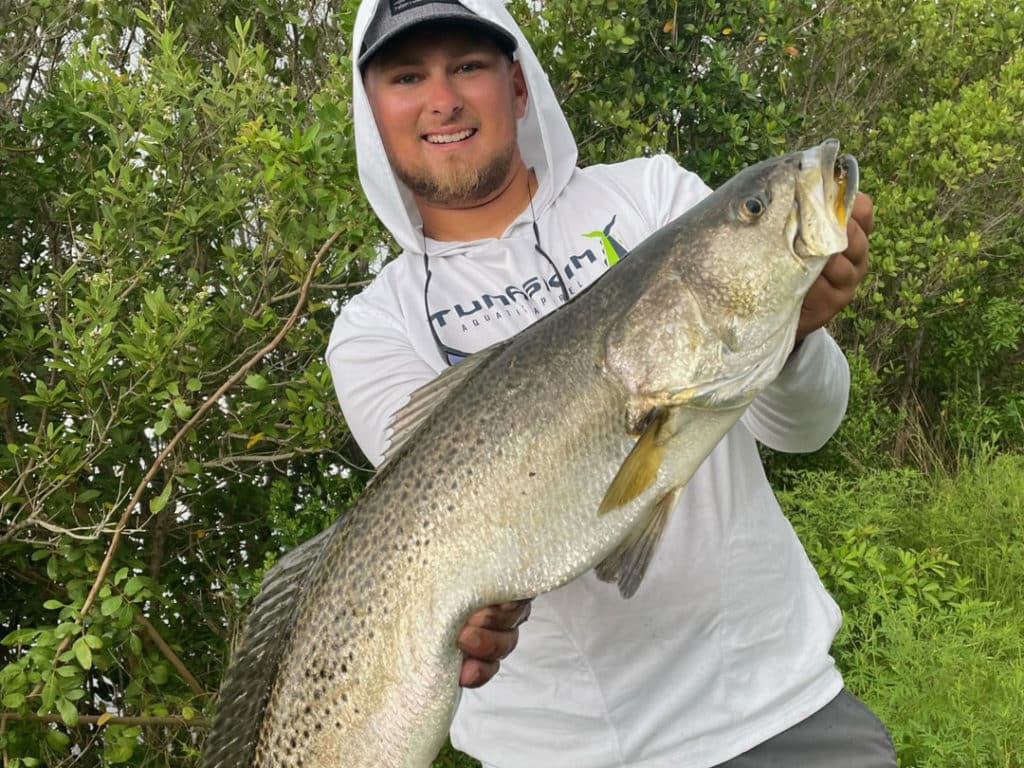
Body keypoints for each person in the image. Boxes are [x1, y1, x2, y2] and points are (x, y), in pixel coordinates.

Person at [326, 0, 892, 766]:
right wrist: (469, 615)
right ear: (372, 112)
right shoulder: (374, 329)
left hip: (782, 712)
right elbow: (443, 544)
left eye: (467, 65)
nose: (443, 99)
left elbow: (806, 428)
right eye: (407, 75)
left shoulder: (653, 197)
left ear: (517, 84)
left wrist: (797, 332)